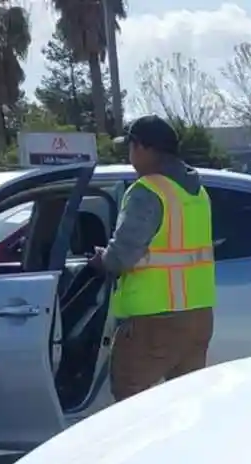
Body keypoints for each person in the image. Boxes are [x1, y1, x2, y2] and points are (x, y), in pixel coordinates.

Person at [94, 115, 216, 402]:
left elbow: (121, 256)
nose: (131, 155)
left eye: (131, 147)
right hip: (198, 317)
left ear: (144, 148)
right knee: (186, 404)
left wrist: (101, 260)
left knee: (130, 400)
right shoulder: (197, 192)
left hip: (155, 321)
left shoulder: (148, 191)